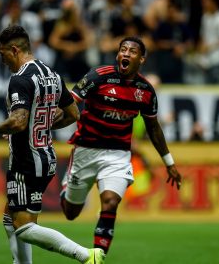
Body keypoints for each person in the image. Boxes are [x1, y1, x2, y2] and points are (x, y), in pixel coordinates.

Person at [0, 25, 105, 264]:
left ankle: (86, 256)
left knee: (24, 227)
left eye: (2, 53)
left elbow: (18, 122)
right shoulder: (52, 74)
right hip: (45, 157)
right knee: (11, 218)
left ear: (14, 50)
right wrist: (41, 125)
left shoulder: (20, 79)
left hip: (25, 161)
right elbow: (72, 114)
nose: (2, 60)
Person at [60, 36, 182, 254]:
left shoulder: (145, 91)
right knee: (71, 213)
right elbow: (69, 106)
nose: (126, 54)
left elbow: (154, 128)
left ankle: (97, 257)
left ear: (141, 59)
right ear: (118, 55)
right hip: (86, 150)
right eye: (123, 50)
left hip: (118, 154)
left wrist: (169, 162)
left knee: (110, 202)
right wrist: (40, 126)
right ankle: (66, 186)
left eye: (132, 51)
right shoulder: (97, 77)